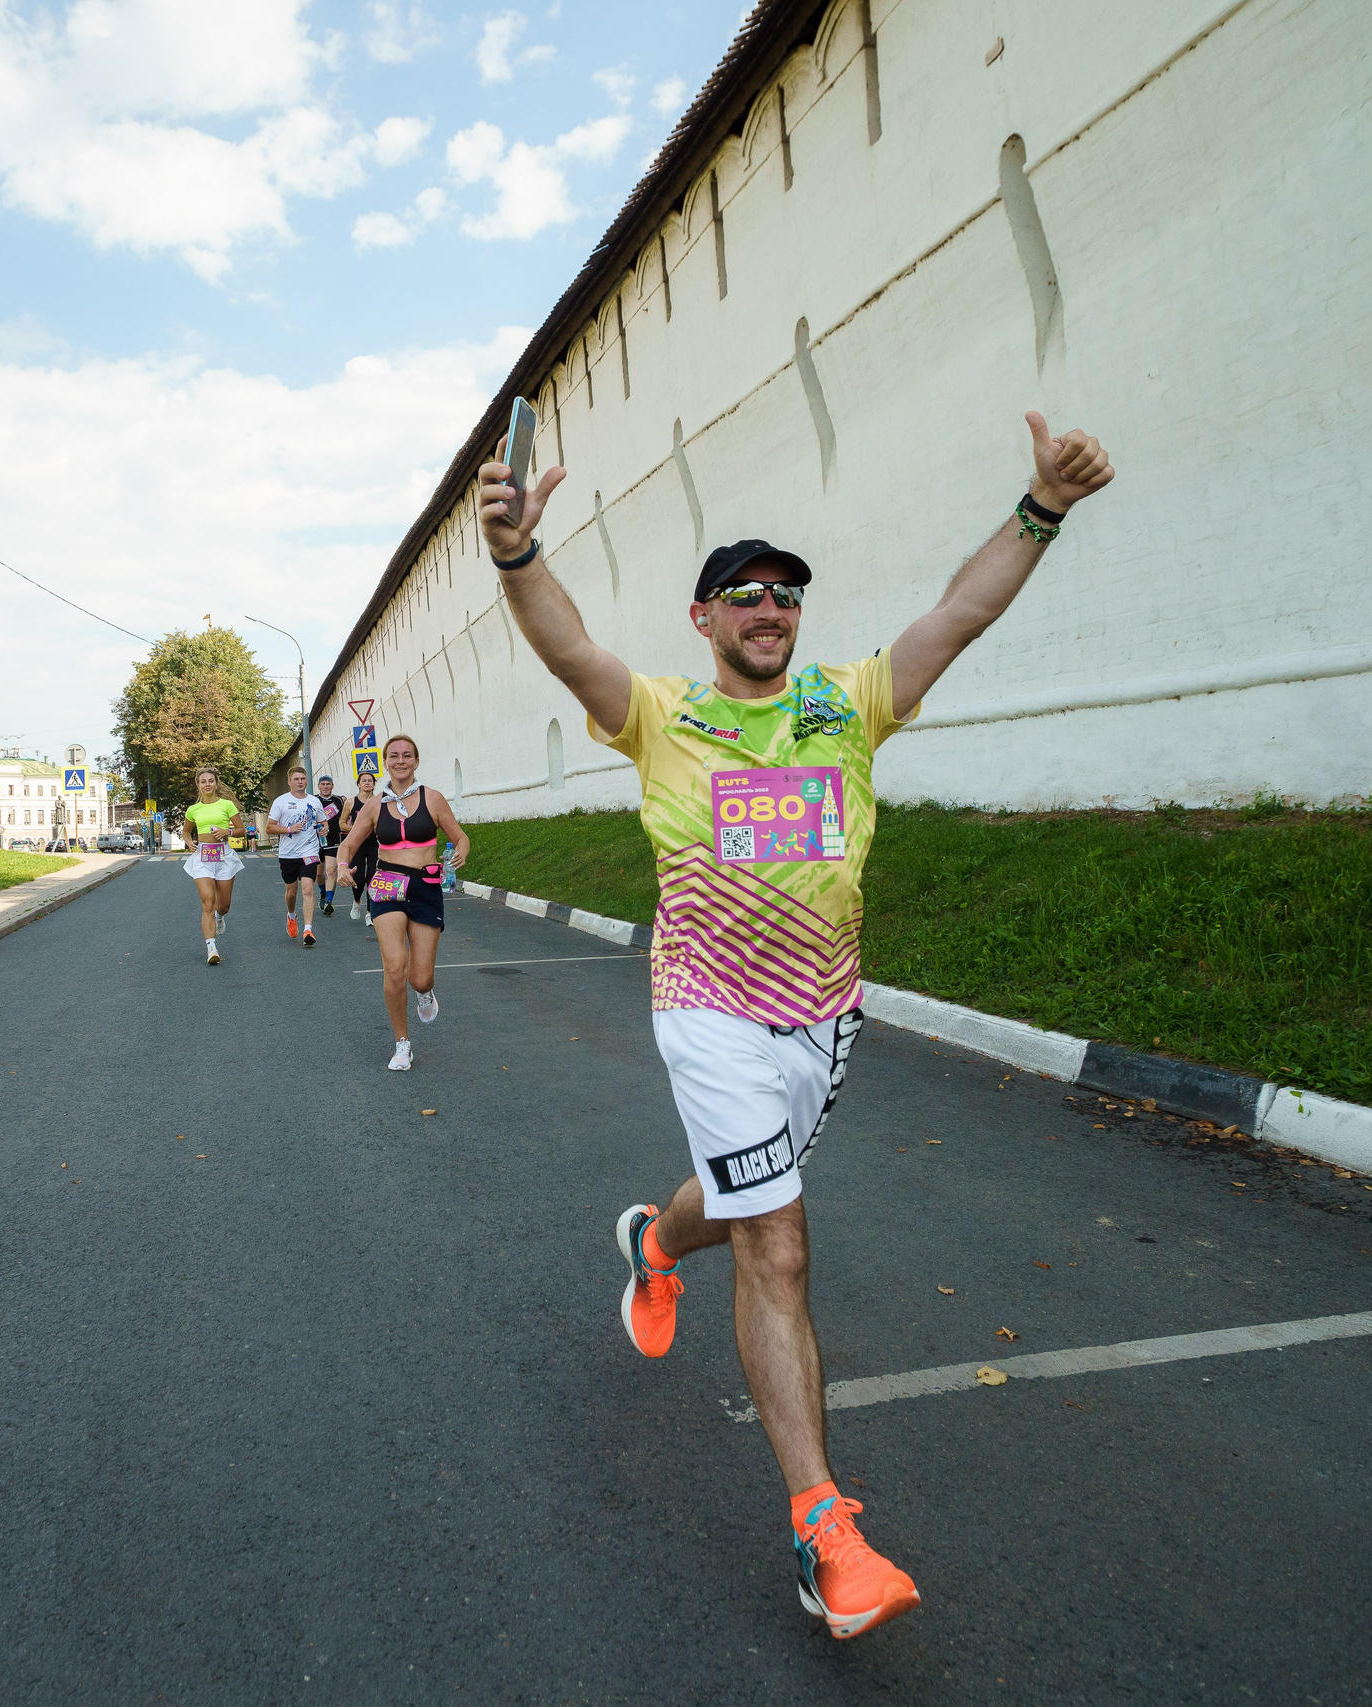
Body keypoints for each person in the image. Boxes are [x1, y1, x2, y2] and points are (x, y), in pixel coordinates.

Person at [478, 410, 1113, 1640]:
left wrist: (1043, 506)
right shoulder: (660, 714)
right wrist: (516, 553)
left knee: (734, 1204)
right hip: (706, 1008)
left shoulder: (848, 703)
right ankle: (828, 1535)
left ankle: (653, 1247)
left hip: (821, 1018)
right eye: (745, 594)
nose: (770, 609)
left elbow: (959, 614)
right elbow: (567, 648)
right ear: (703, 618)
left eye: (785, 595)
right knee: (777, 1241)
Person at [333, 735, 470, 1071]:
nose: (400, 761)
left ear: (416, 761)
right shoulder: (374, 806)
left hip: (425, 887)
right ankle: (402, 1043)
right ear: (385, 763)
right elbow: (348, 845)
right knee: (395, 966)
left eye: (407, 755)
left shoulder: (432, 798)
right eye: (393, 756)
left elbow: (459, 836)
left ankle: (424, 992)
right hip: (387, 885)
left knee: (420, 978)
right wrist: (342, 866)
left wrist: (461, 851)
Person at [181, 766, 243, 965]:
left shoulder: (227, 805)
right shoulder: (193, 809)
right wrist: (189, 842)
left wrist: (227, 832)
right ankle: (212, 949)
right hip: (202, 857)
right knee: (208, 901)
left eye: (210, 781)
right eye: (203, 781)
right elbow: (186, 831)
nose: (207, 784)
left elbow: (241, 830)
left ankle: (219, 916)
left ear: (216, 784)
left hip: (224, 856)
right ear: (198, 785)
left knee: (223, 905)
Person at [268, 765, 323, 947]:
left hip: (310, 851)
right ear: (289, 782)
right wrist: (289, 829)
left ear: (307, 781)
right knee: (291, 892)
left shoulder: (315, 801)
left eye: (303, 779)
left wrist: (324, 829)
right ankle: (291, 915)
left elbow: (323, 822)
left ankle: (308, 929)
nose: (300, 782)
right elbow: (269, 827)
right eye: (296, 779)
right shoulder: (281, 801)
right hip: (288, 854)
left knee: (308, 889)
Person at [342, 770, 381, 923]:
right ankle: (357, 901)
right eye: (364, 780)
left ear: (374, 784)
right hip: (357, 844)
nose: (367, 783)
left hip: (374, 844)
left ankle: (369, 913)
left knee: (373, 878)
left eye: (370, 781)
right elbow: (342, 823)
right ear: (358, 784)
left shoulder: (380, 802)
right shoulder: (351, 802)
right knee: (358, 878)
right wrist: (355, 830)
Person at [314, 774, 344, 916]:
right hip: (317, 841)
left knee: (331, 871)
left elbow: (345, 817)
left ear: (332, 786)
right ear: (319, 786)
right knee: (319, 874)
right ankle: (323, 892)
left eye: (328, 784)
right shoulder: (313, 800)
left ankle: (329, 902)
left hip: (333, 840)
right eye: (323, 784)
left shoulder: (338, 801)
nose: (325, 787)